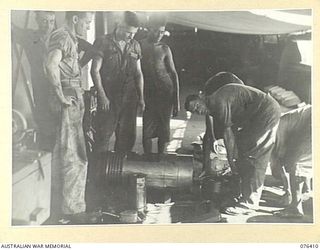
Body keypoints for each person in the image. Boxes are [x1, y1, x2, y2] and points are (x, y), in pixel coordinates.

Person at [185, 82, 281, 213]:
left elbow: (228, 137)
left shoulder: (218, 103)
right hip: (256, 115)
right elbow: (233, 133)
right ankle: (242, 192)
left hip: (266, 113)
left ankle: (250, 203)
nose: (198, 110)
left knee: (255, 155)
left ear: (202, 97)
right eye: (195, 111)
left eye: (197, 105)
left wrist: (232, 164)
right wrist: (235, 159)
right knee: (244, 150)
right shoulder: (213, 106)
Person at [45, 11, 95, 222]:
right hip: (68, 96)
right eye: (87, 22)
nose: (89, 27)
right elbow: (50, 65)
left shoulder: (69, 38)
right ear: (75, 19)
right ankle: (73, 211)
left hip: (72, 93)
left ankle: (63, 206)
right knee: (73, 156)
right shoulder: (63, 36)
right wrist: (61, 95)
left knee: (69, 152)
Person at [91, 11, 145, 155]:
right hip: (109, 98)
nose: (131, 36)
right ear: (120, 25)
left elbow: (138, 74)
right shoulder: (103, 42)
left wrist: (141, 98)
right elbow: (94, 71)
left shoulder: (135, 45)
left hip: (129, 98)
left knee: (127, 138)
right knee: (103, 136)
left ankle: (119, 170)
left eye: (134, 33)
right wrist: (102, 96)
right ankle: (98, 173)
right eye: (128, 32)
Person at [12, 11, 56, 151]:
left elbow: (90, 48)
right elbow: (10, 28)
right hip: (41, 89)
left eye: (51, 21)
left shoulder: (59, 37)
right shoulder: (30, 36)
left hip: (59, 87)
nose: (48, 26)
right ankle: (45, 157)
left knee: (60, 126)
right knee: (44, 124)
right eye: (44, 21)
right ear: (36, 20)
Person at [140, 14, 180, 156]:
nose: (159, 35)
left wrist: (176, 101)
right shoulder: (139, 45)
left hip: (165, 93)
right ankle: (147, 158)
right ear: (148, 29)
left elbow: (174, 74)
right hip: (148, 92)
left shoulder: (165, 49)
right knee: (147, 129)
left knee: (164, 127)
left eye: (162, 32)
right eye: (156, 31)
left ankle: (160, 159)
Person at [271, 105, 312, 218]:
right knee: (305, 162)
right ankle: (306, 192)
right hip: (311, 120)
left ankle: (295, 208)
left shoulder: (275, 127)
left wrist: (288, 191)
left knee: (297, 164)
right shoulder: (284, 120)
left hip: (313, 124)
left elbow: (281, 160)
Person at [201, 72, 244, 174]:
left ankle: (235, 167)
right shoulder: (211, 93)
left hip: (236, 98)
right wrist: (212, 137)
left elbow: (231, 130)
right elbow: (209, 121)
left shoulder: (237, 92)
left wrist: (231, 160)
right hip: (217, 89)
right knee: (210, 135)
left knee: (234, 134)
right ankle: (205, 167)